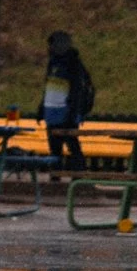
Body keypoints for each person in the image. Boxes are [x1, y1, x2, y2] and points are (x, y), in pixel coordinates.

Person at [41, 30, 95, 169]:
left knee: (72, 145)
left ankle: (78, 175)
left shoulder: (73, 64)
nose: (49, 48)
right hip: (51, 112)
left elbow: (77, 90)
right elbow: (48, 88)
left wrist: (73, 112)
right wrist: (42, 107)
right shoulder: (53, 63)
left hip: (66, 112)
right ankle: (55, 176)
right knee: (54, 148)